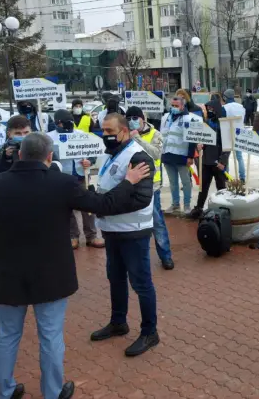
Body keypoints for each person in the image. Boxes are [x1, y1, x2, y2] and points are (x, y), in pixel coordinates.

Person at [0, 132, 152, 399]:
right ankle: (53, 391)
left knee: (7, 336)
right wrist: (129, 182)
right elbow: (103, 204)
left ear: (20, 154)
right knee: (50, 337)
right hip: (52, 274)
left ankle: (5, 391)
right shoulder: (62, 183)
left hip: (9, 274)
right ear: (49, 157)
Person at [91, 114, 160, 357]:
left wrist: (105, 205)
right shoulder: (111, 155)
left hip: (134, 233)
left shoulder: (138, 158)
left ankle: (150, 332)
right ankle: (118, 322)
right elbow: (108, 187)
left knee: (141, 284)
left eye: (109, 130)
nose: (105, 135)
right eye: (102, 130)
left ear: (124, 131)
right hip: (112, 231)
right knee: (116, 278)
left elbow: (141, 198)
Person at [47, 110, 104, 250]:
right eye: (61, 123)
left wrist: (89, 161)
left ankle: (91, 235)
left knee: (88, 206)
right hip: (62, 177)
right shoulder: (48, 138)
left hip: (81, 175)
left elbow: (93, 152)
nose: (65, 125)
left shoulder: (82, 136)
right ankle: (73, 236)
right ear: (56, 123)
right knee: (68, 208)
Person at [127, 106, 174, 270]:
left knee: (157, 222)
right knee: (135, 224)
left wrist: (137, 138)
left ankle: (166, 256)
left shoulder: (155, 135)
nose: (132, 121)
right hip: (132, 185)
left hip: (151, 187)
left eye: (135, 118)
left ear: (143, 119)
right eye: (129, 118)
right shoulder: (125, 135)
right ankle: (138, 260)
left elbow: (156, 154)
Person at [189, 99, 229, 219]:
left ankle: (224, 210)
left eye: (212, 109)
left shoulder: (223, 124)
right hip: (206, 160)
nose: (209, 111)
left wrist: (223, 161)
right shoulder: (207, 122)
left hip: (218, 162)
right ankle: (199, 207)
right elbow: (205, 138)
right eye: (208, 109)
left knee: (221, 187)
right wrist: (200, 145)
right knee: (203, 187)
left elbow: (227, 145)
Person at [160, 94, 201, 213]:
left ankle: (187, 205)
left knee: (186, 182)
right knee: (173, 183)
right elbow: (162, 136)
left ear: (182, 106)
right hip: (167, 155)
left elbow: (191, 139)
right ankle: (175, 204)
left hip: (182, 156)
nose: (173, 107)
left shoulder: (188, 119)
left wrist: (190, 156)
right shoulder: (166, 117)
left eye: (176, 105)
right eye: (172, 105)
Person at [221, 88, 247, 182]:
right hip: (239, 133)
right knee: (239, 157)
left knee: (226, 157)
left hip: (227, 134)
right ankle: (242, 177)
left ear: (225, 97)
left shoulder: (225, 107)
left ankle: (226, 175)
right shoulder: (241, 106)